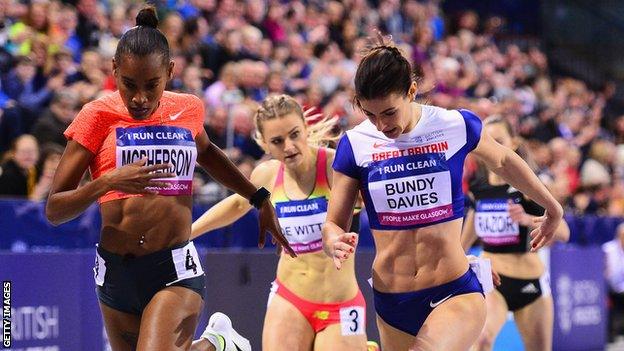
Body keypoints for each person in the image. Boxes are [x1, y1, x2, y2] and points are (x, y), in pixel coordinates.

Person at [45, 7, 293, 351]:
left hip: (174, 265)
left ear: (170, 72)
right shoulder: (96, 116)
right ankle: (219, 343)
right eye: (129, 85)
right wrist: (107, 182)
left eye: (152, 85)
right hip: (116, 272)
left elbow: (209, 154)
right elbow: (54, 209)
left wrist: (258, 197)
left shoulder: (187, 109)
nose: (140, 98)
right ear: (114, 70)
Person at [322, 36, 563, 351]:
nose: (380, 125)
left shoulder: (454, 125)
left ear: (411, 91)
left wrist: (551, 206)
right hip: (392, 300)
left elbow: (503, 159)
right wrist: (332, 241)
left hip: (454, 290)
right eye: (370, 114)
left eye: (389, 113)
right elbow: (333, 223)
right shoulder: (355, 144)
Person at [191, 94, 369, 351]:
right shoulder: (268, 174)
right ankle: (226, 342)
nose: (289, 146)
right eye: (277, 141)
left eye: (294, 134)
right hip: (291, 298)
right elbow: (239, 204)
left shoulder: (335, 166)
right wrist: (188, 232)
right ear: (265, 144)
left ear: (305, 128)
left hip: (340, 304)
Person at [461, 115, 570, 351]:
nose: (491, 146)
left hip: (531, 283)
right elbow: (464, 240)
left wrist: (528, 219)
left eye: (498, 140)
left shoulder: (528, 185)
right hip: (494, 282)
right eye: (486, 140)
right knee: (481, 340)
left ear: (512, 144)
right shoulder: (477, 187)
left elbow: (564, 232)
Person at [603, 223, 624, 342]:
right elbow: (605, 272)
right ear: (619, 235)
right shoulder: (608, 249)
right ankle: (611, 332)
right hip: (609, 288)